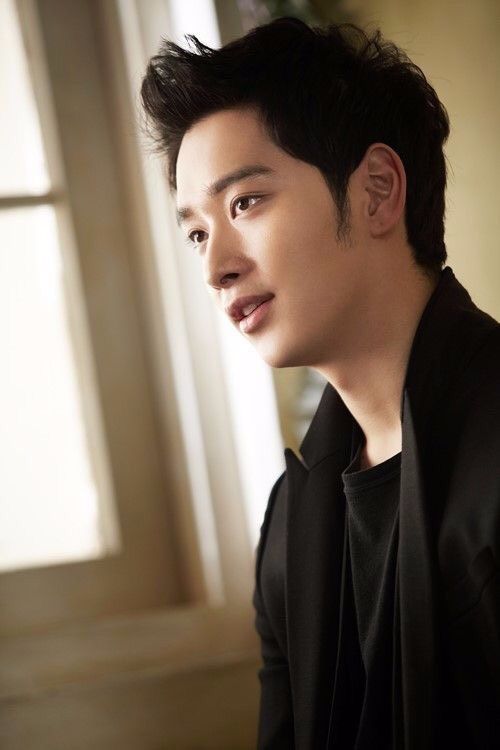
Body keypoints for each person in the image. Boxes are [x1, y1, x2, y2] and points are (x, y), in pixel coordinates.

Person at [140, 16, 500, 749]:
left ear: (377, 191)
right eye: (197, 232)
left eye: (245, 202)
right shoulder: (290, 523)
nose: (215, 268)